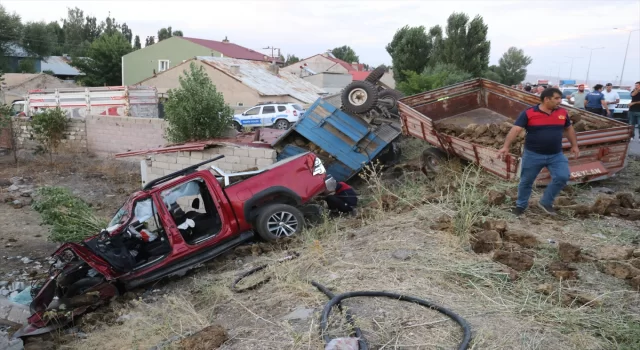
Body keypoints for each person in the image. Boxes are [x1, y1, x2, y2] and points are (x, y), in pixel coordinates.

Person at [497, 88, 579, 216]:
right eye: (557, 98)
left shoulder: (562, 113)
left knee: (562, 176)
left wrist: (574, 145)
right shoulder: (529, 113)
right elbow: (515, 130)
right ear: (547, 99)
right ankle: (521, 206)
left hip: (556, 154)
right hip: (533, 155)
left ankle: (546, 202)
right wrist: (506, 146)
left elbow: (569, 129)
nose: (560, 101)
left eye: (560, 98)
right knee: (526, 181)